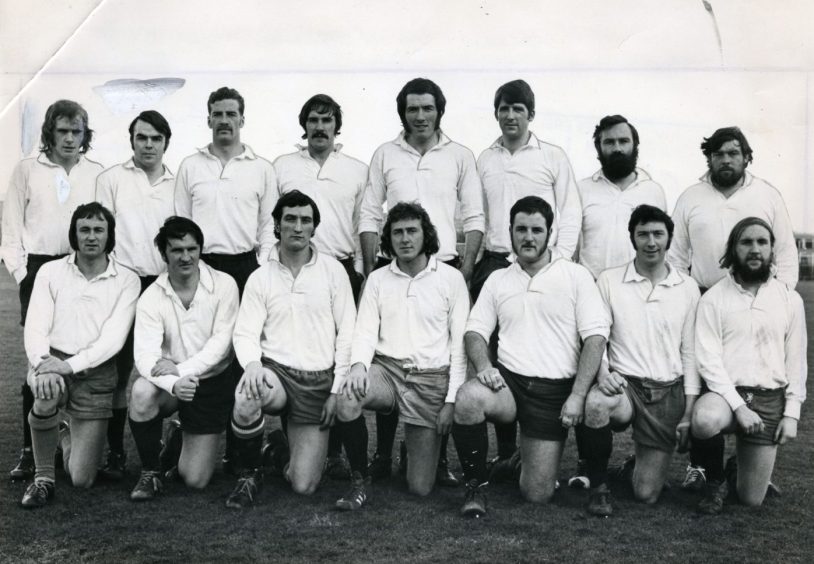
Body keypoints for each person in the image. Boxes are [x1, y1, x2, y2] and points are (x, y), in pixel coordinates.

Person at [359, 77, 484, 485]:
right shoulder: (384, 154)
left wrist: (464, 270)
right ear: (403, 113)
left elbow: (475, 216)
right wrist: (367, 270)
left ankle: (430, 454)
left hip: (443, 268)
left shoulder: (460, 155)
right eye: (413, 108)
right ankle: (381, 452)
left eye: (427, 108)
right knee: (391, 354)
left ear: (439, 111)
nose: (420, 115)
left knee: (433, 359)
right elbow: (370, 215)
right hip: (393, 267)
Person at [452, 196, 609, 517]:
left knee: (536, 495)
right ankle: (475, 487)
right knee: (468, 399)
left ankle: (519, 460)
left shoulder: (575, 276)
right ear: (509, 231)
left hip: (553, 394)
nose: (528, 237)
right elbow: (474, 332)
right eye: (520, 229)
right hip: (508, 386)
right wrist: (483, 365)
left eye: (536, 229)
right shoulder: (499, 279)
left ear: (549, 233)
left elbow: (595, 338)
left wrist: (578, 396)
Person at [669, 126, 799, 491]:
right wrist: (687, 298)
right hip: (705, 297)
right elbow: (677, 256)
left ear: (746, 157)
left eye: (733, 153)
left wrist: (775, 299)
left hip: (757, 297)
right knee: (705, 380)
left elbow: (786, 251)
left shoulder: (767, 195)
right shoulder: (690, 197)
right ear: (708, 158)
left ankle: (745, 466)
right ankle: (702, 467)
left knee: (754, 375)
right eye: (718, 153)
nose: (726, 160)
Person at [472, 79, 583, 472]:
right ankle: (506, 452)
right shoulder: (484, 159)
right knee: (499, 357)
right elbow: (475, 213)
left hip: (543, 263)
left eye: (518, 108)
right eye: (503, 108)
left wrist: (561, 261)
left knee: (543, 350)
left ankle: (541, 441)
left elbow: (570, 212)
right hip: (497, 263)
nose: (510, 115)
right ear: (496, 113)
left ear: (530, 114)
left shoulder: (552, 156)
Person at [333, 202, 469, 510]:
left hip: (430, 378)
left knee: (420, 488)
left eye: (412, 231)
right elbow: (365, 331)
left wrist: (450, 401)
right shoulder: (378, 279)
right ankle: (359, 482)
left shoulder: (451, 279)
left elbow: (459, 346)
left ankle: (417, 451)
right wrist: (357, 367)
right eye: (397, 233)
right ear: (389, 238)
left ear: (426, 235)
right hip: (387, 373)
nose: (405, 239)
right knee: (348, 395)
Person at [225, 190, 355, 508]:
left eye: (305, 220)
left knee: (304, 485)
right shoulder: (260, 277)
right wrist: (253, 365)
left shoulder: (334, 271)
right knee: (246, 395)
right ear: (278, 225)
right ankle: (249, 472)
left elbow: (348, 333)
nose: (298, 227)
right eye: (291, 219)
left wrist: (337, 390)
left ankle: (276, 450)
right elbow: (244, 332)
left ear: (314, 228)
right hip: (276, 373)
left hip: (318, 381)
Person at [174, 86, 277, 471]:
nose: (224, 121)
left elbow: (268, 227)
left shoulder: (260, 167)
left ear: (242, 120)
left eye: (231, 114)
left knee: (240, 357)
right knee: (198, 352)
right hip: (201, 267)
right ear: (208, 119)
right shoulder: (190, 165)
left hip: (245, 266)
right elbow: (180, 223)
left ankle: (240, 448)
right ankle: (190, 436)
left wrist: (261, 269)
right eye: (217, 114)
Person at [1, 100, 104, 481]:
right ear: (49, 133)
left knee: (90, 353)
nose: (70, 139)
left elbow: (106, 223)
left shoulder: (96, 172)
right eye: (62, 131)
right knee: (38, 358)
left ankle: (106, 449)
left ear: (84, 135)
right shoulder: (27, 169)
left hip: (85, 267)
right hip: (40, 267)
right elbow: (10, 228)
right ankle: (31, 451)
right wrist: (22, 273)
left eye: (77, 132)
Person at [569, 114, 668, 489]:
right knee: (588, 376)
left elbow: (661, 245)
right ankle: (586, 463)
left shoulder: (653, 190)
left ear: (635, 146)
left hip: (635, 296)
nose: (616, 149)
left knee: (637, 374)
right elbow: (573, 244)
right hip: (591, 295)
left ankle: (639, 457)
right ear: (598, 148)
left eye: (622, 141)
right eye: (608, 143)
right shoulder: (581, 189)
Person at [581, 205, 700, 516]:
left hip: (667, 391)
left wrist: (688, 410)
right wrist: (603, 373)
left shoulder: (686, 286)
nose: (651, 242)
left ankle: (635, 466)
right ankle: (598, 487)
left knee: (646, 494)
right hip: (625, 387)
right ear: (632, 238)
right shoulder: (609, 280)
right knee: (596, 404)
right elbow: (598, 335)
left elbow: (689, 352)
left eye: (658, 234)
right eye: (643, 234)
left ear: (669, 239)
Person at [20, 203, 140, 508]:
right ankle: (43, 479)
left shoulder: (127, 279)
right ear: (74, 234)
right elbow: (35, 326)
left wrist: (69, 366)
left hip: (96, 370)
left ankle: (62, 431)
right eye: (84, 229)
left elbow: (114, 340)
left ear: (109, 235)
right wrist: (42, 364)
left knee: (82, 479)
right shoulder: (50, 271)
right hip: (51, 360)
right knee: (46, 392)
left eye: (99, 230)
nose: (91, 237)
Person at [273, 94, 368, 479]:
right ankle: (295, 443)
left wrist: (359, 271)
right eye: (313, 120)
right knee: (292, 356)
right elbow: (271, 222)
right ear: (304, 125)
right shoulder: (282, 166)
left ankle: (335, 453)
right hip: (292, 271)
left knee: (334, 357)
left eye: (327, 120)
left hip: (339, 270)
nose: (319, 127)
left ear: (336, 126)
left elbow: (365, 221)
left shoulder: (356, 169)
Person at [691, 217, 806, 515]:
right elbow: (708, 361)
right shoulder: (714, 298)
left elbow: (796, 360)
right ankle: (714, 482)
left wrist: (791, 414)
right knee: (704, 419)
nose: (755, 249)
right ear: (733, 249)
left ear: (772, 249)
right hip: (726, 397)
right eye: (746, 242)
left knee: (751, 499)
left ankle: (734, 470)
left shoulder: (789, 300)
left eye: (762, 242)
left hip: (769, 400)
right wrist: (739, 407)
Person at [127, 217, 239, 500]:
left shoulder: (225, 285)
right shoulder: (151, 296)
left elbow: (221, 346)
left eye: (192, 248)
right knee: (141, 392)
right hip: (172, 386)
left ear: (201, 249)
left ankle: (178, 437)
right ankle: (150, 473)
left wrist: (180, 369)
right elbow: (144, 356)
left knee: (195, 480)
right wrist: (173, 382)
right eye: (177, 250)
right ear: (164, 254)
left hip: (211, 383)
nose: (186, 257)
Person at [95, 110, 176, 480]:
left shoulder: (179, 182)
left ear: (165, 143)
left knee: (167, 366)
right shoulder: (111, 178)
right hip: (124, 286)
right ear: (132, 141)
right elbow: (103, 237)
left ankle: (164, 446)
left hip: (164, 287)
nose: (148, 145)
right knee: (118, 371)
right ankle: (114, 451)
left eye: (155, 138)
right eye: (142, 137)